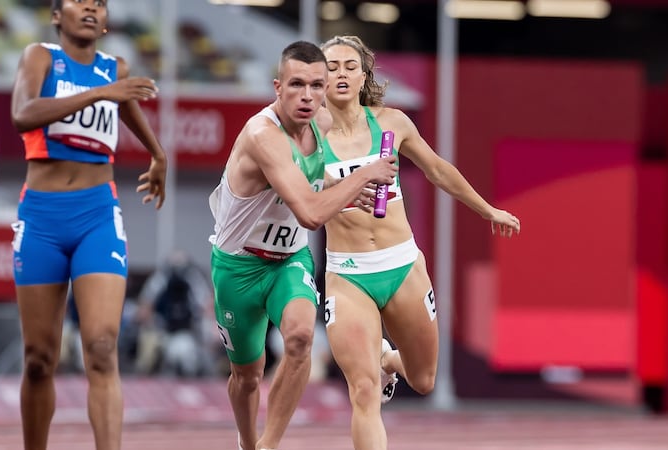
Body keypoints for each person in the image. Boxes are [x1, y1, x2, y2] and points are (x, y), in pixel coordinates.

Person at [320, 35, 521, 449]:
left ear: (363, 76)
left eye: (348, 67)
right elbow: (293, 186)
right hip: (348, 274)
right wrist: (347, 181)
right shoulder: (306, 135)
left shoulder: (391, 122)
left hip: (402, 266)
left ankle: (389, 359)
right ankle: (377, 371)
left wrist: (487, 210)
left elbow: (437, 170)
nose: (340, 74)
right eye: (331, 67)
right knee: (363, 389)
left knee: (424, 379)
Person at [208, 40, 398, 450]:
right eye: (296, 85)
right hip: (238, 266)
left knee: (298, 338)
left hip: (289, 260)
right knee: (248, 375)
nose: (308, 96)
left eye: (317, 85)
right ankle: (247, 441)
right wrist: (364, 177)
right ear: (278, 87)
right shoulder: (263, 135)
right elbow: (311, 213)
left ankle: (269, 445)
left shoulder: (322, 122)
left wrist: (343, 189)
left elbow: (309, 177)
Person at [9, 0, 167, 449]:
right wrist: (99, 94)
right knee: (39, 358)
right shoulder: (40, 57)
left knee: (100, 347)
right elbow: (22, 114)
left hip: (97, 214)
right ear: (57, 14)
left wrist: (158, 154)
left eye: (100, 3)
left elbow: (129, 108)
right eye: (81, 1)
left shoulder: (114, 67)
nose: (92, 9)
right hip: (41, 217)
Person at [133, 249, 215, 377]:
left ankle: (209, 375)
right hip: (164, 331)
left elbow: (206, 306)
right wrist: (151, 323)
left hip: (190, 333)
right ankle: (143, 375)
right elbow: (145, 305)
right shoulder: (162, 278)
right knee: (148, 346)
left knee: (204, 347)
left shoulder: (193, 278)